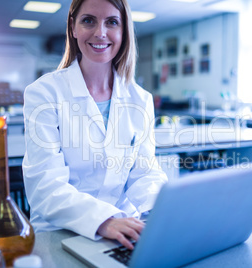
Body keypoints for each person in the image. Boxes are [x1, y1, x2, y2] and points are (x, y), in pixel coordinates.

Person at [22, 0, 168, 250]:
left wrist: (164, 210)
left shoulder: (140, 99)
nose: (100, 32)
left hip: (124, 231)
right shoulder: (44, 93)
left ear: (124, 31)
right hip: (60, 233)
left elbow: (145, 173)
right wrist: (103, 220)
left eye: (112, 22)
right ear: (73, 27)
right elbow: (45, 186)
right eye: (89, 20)